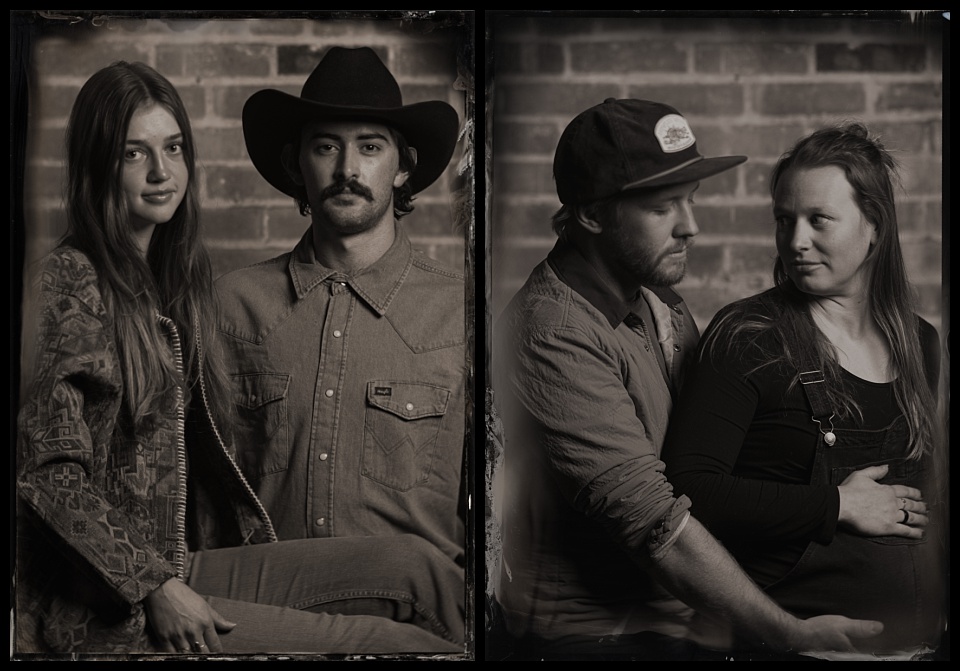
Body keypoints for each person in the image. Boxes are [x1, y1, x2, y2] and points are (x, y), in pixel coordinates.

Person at [15, 61, 461, 656]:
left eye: (173, 148)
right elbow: (45, 471)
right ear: (99, 163)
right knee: (390, 642)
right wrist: (155, 586)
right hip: (110, 599)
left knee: (416, 566)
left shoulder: (159, 291)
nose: (160, 172)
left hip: (172, 566)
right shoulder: (71, 279)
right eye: (132, 153)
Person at [491, 98, 888, 660]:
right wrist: (790, 632)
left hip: (686, 626)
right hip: (593, 639)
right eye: (662, 208)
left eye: (691, 200)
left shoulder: (656, 298)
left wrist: (831, 504)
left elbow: (717, 467)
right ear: (592, 215)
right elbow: (655, 524)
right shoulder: (551, 331)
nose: (691, 226)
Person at [662, 123, 945, 658]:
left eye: (819, 221)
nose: (796, 241)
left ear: (874, 227)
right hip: (791, 647)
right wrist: (835, 503)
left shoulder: (920, 343)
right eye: (785, 220)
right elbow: (688, 490)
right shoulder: (749, 337)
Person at [215, 46, 466, 647]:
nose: (347, 166)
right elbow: (194, 489)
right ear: (295, 162)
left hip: (420, 625)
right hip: (265, 625)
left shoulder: (463, 313)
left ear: (402, 167)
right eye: (325, 146)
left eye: (370, 147)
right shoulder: (226, 307)